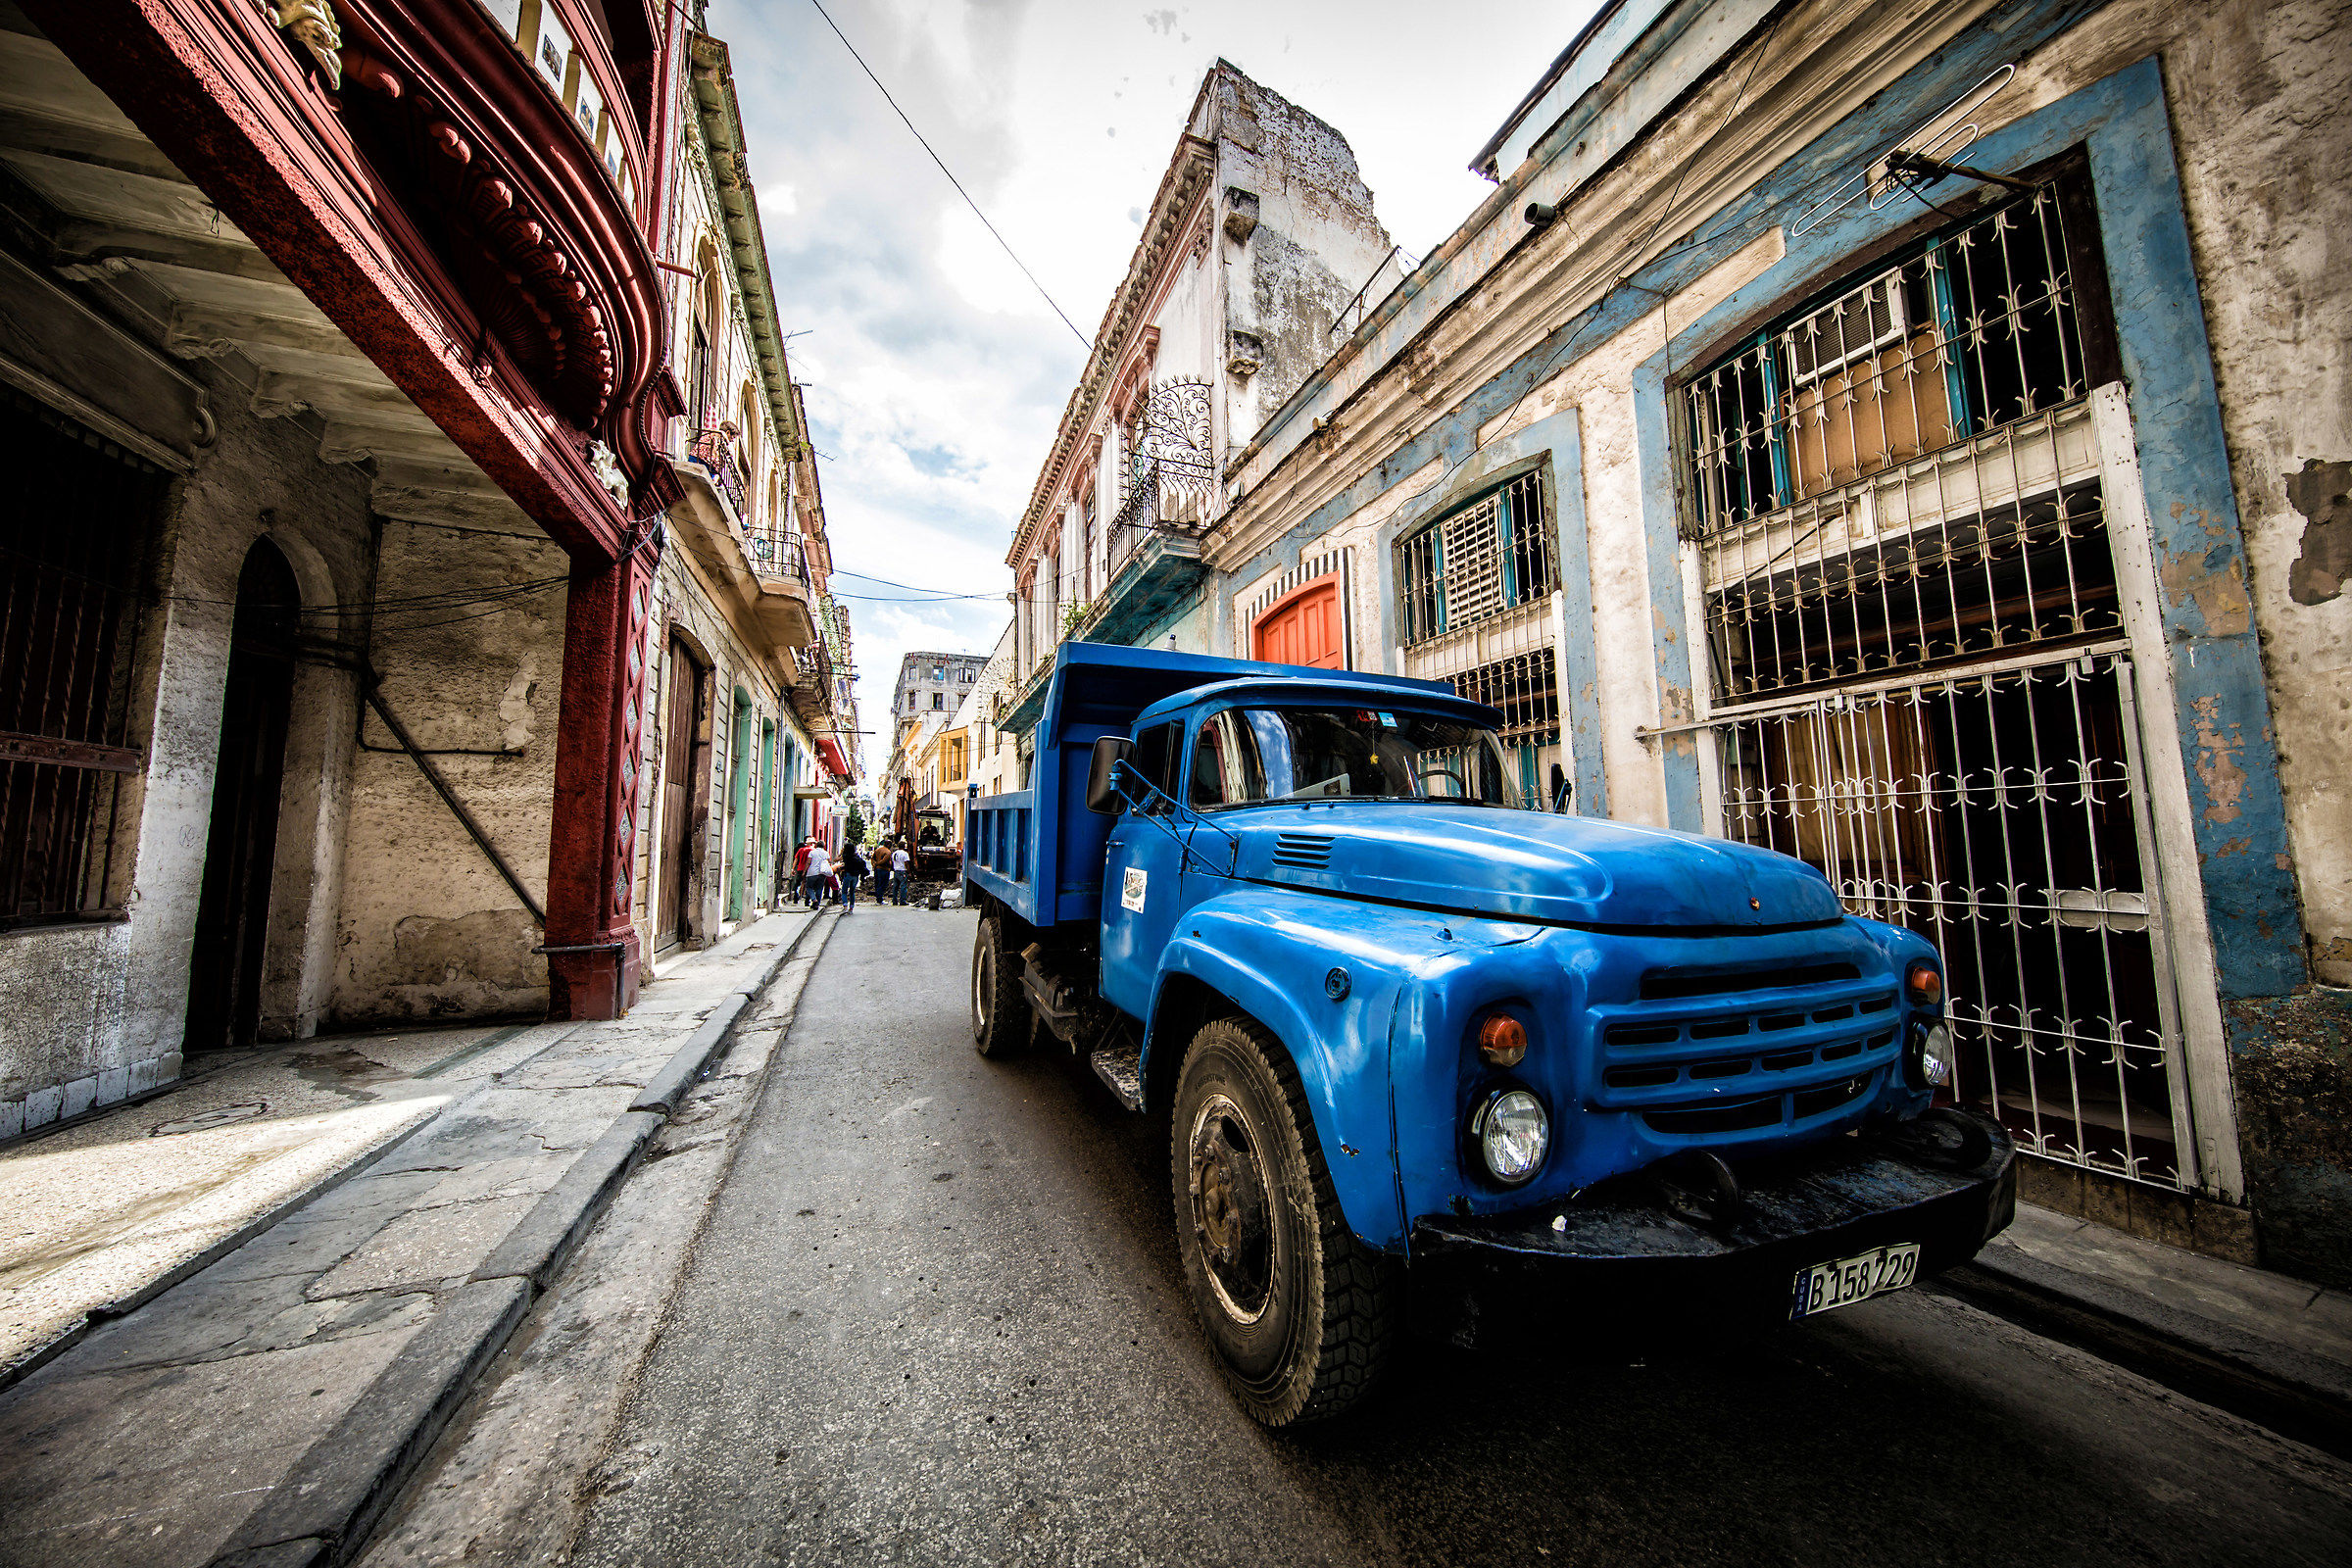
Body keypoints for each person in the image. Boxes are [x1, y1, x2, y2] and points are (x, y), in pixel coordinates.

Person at [803, 840, 832, 911]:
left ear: (816, 845)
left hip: (812, 872)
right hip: (822, 873)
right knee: (819, 888)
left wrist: (804, 872)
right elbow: (829, 862)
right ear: (823, 846)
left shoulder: (812, 852)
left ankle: (814, 900)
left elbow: (808, 862)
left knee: (809, 887)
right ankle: (817, 904)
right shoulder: (826, 853)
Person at [839, 841, 864, 913]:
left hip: (848, 875)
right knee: (852, 892)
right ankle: (851, 908)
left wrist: (841, 852)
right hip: (855, 876)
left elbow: (836, 859)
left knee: (844, 891)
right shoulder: (856, 857)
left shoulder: (845, 857)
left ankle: (845, 906)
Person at [790, 837, 813, 904]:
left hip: (800, 868)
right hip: (809, 869)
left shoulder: (800, 850)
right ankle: (807, 900)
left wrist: (793, 868)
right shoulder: (812, 850)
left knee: (798, 883)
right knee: (808, 885)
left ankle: (796, 897)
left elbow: (796, 859)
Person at [890, 841, 910, 906]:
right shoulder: (905, 853)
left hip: (896, 871)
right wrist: (908, 871)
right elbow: (906, 862)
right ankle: (902, 901)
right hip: (902, 871)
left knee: (895, 887)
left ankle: (894, 901)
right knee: (903, 886)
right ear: (904, 846)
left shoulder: (894, 853)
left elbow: (892, 862)